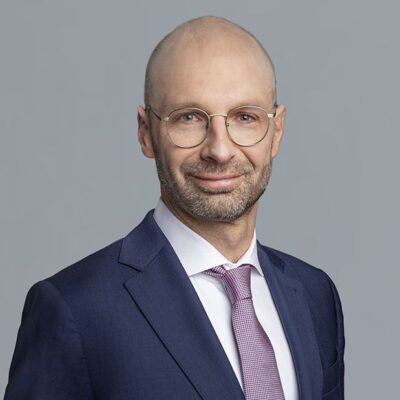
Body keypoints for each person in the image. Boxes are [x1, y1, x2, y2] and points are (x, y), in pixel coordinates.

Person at [4, 16, 344, 400]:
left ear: (276, 131)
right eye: (189, 118)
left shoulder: (315, 296)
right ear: (145, 132)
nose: (219, 150)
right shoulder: (76, 310)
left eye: (244, 117)